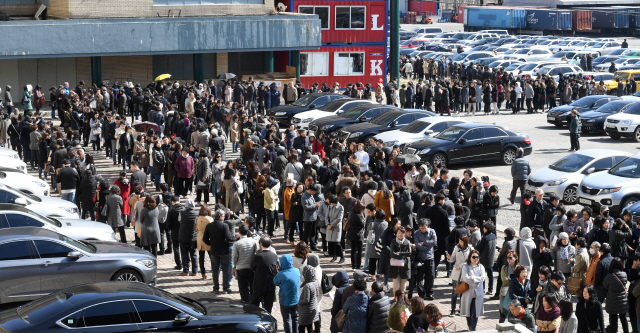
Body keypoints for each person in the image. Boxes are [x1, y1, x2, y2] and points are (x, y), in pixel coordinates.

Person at [251, 236, 278, 313]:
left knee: (254, 305)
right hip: (270, 284)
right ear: (270, 244)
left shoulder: (257, 256)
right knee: (268, 308)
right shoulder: (274, 256)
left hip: (259, 284)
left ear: (261, 244)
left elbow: (252, 267)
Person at [274, 254, 301, 333]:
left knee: (287, 320)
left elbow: (275, 282)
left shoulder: (281, 274)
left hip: (285, 301)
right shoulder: (296, 271)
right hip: (296, 299)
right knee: (295, 318)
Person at [603, 257, 630, 333]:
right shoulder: (624, 274)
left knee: (613, 321)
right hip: (622, 301)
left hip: (612, 301)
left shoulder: (609, 276)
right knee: (624, 319)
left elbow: (605, 285)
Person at [447, 235, 472, 316]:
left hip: (465, 273)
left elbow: (470, 261)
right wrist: (449, 258)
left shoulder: (471, 248)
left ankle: (461, 309)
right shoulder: (456, 248)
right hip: (456, 273)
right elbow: (453, 259)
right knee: (455, 291)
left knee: (463, 291)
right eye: (459, 241)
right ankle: (453, 310)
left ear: (466, 241)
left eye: (462, 241)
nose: (460, 243)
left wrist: (461, 265)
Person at [461, 249, 485, 331]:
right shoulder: (465, 266)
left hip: (478, 293)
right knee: (468, 311)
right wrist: (476, 281)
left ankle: (473, 329)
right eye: (473, 257)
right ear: (470, 257)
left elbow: (483, 278)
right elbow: (466, 278)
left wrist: (473, 278)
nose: (476, 259)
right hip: (468, 292)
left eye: (477, 257)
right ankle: (469, 325)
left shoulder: (481, 267)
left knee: (475, 312)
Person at [415, 218, 437, 301]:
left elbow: (434, 242)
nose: (423, 230)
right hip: (420, 258)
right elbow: (418, 246)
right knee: (420, 277)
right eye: (421, 228)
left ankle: (429, 292)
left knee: (431, 276)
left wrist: (423, 242)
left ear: (427, 226)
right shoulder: (416, 233)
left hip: (430, 257)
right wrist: (428, 245)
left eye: (425, 228)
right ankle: (421, 294)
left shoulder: (432, 231)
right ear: (419, 227)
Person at [178, 199, 199, 277]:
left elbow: (179, 221)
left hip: (183, 236)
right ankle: (195, 271)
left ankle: (186, 270)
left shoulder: (182, 213)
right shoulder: (197, 213)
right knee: (193, 254)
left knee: (184, 254)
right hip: (193, 237)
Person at [475, 221, 497, 295]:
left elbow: (479, 248)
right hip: (491, 259)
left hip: (484, 259)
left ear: (486, 229)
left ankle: (482, 288)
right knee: (490, 275)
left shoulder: (485, 238)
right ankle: (490, 289)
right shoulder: (494, 236)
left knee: (482, 275)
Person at [389, 226, 412, 295]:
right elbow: (392, 254)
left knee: (403, 287)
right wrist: (403, 255)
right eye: (398, 233)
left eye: (402, 233)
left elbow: (409, 253)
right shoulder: (393, 241)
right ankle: (396, 300)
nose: (400, 234)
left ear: (404, 234)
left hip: (405, 266)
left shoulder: (407, 242)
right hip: (395, 267)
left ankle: (402, 301)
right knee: (396, 287)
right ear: (396, 233)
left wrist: (400, 253)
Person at [298, 265, 320, 333]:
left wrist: (298, 301)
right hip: (312, 309)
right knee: (309, 327)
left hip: (306, 312)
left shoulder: (307, 286)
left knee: (301, 328)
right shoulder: (315, 282)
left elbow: (306, 300)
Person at [195, 204, 213, 280]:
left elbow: (196, 229)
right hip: (208, 239)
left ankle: (203, 273)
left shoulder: (197, 218)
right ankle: (213, 272)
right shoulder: (210, 219)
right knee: (212, 257)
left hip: (200, 238)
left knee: (201, 257)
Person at [347, 200, 366, 269]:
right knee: (359, 250)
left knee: (353, 250)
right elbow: (362, 224)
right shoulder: (358, 215)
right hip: (357, 234)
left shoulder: (352, 211)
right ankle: (358, 265)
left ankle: (353, 265)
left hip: (351, 233)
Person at [326, 194, 345, 263]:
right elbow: (326, 216)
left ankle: (342, 257)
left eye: (334, 203)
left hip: (336, 226)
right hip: (329, 226)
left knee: (337, 243)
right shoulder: (329, 206)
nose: (333, 204)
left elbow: (339, 218)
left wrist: (332, 225)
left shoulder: (341, 207)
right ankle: (334, 256)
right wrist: (328, 224)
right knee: (331, 243)